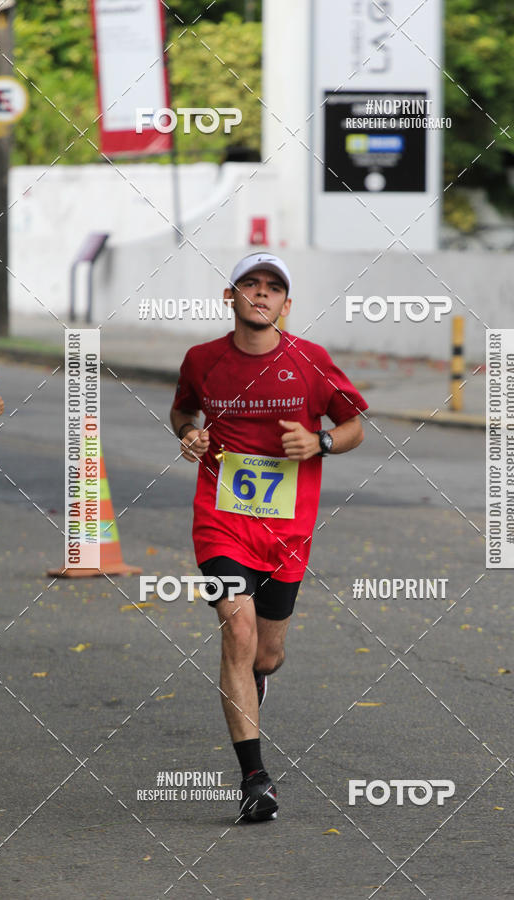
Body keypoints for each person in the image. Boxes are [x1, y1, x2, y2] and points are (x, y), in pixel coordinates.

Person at [169, 252, 368, 822]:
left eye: (273, 286)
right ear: (229, 297)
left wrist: (321, 443)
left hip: (288, 531)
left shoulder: (311, 361)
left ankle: (254, 681)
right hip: (222, 519)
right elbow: (183, 411)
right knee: (238, 626)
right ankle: (255, 778)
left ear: (287, 303)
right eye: (249, 284)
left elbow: (353, 424)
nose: (261, 293)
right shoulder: (202, 360)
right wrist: (190, 436)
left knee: (268, 652)